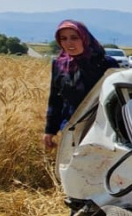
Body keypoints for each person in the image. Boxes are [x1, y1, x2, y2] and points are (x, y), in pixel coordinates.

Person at [43, 20, 119, 150]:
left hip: (102, 129)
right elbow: (55, 99)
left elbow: (117, 98)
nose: (69, 43)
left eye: (74, 37)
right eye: (64, 39)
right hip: (71, 126)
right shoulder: (59, 64)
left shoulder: (105, 63)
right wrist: (50, 130)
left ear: (85, 38)